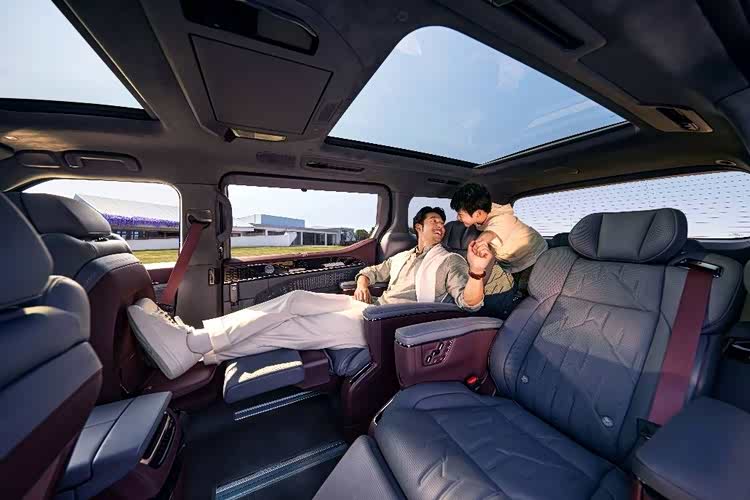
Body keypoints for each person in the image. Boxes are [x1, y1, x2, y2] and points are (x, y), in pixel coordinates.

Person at [127, 206, 493, 379]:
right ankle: (196, 345)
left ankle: (196, 347)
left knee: (293, 328)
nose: (440, 227)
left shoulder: (451, 262)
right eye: (434, 222)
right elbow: (369, 271)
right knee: (295, 300)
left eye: (443, 224)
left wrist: (477, 270)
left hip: (386, 325)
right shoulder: (401, 257)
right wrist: (362, 283)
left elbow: (469, 303)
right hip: (367, 307)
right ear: (417, 228)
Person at [450, 183, 547, 318]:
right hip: (513, 260)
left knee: (530, 297)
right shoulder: (484, 211)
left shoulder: (502, 220)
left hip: (534, 257)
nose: (457, 218)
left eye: (460, 214)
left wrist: (479, 244)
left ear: (478, 213)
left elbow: (489, 235)